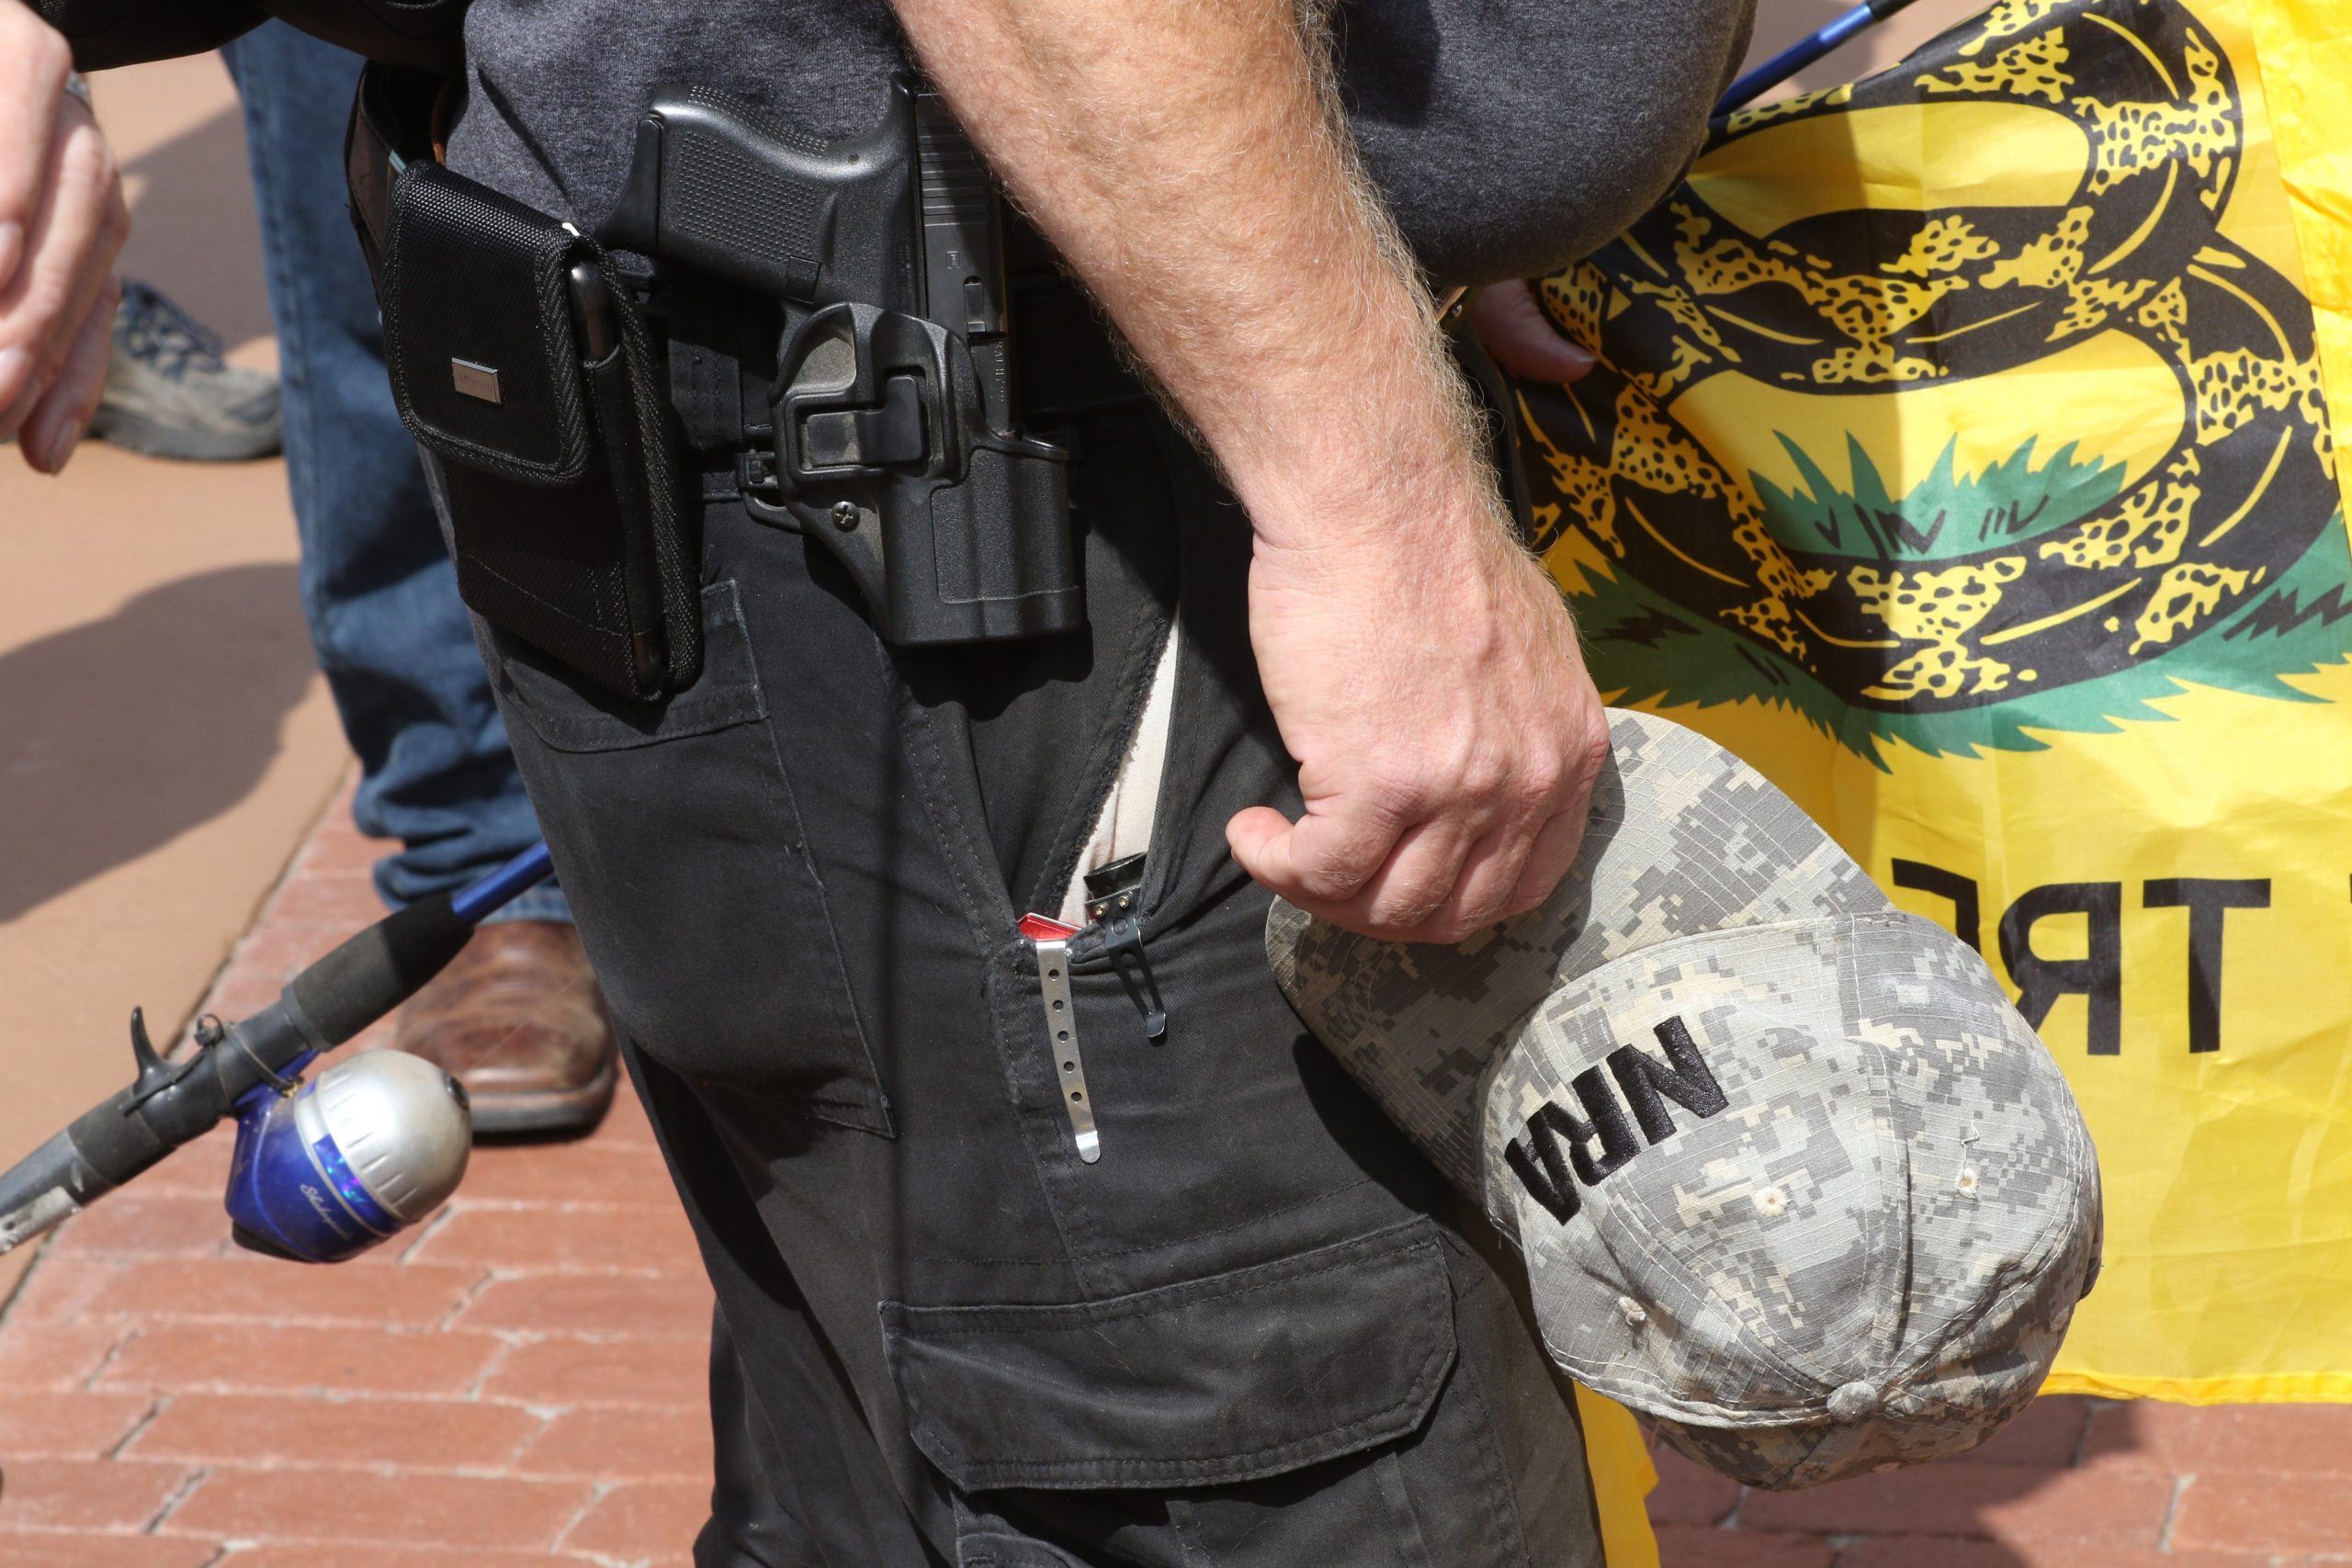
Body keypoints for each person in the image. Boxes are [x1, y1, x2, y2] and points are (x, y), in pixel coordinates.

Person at [5, 1, 1752, 1561]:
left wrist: (1365, 192)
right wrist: (1361, 474)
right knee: (1236, 1446)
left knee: (933, 1433)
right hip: (999, 446)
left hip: (1008, 361)